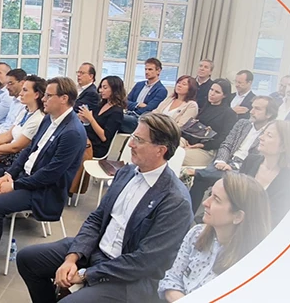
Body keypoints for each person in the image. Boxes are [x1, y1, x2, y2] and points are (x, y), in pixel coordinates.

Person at [15, 113, 194, 303]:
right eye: (133, 137)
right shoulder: (126, 173)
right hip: (97, 250)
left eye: (139, 140)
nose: (130, 144)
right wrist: (72, 258)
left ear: (160, 150)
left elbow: (144, 261)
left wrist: (86, 274)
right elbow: (97, 218)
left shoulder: (175, 201)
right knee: (28, 259)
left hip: (129, 277)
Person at [0, 77, 87, 287]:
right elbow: (28, 150)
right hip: (25, 177)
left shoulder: (73, 132)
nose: (44, 99)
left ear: (64, 98)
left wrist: (14, 185)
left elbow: (51, 174)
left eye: (49, 96)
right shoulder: (50, 119)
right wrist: (9, 174)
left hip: (43, 190)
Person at [158, 173, 271, 302]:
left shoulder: (251, 268)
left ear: (238, 216)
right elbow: (171, 280)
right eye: (210, 194)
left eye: (217, 200)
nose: (205, 203)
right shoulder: (196, 234)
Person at [186, 96, 278, 215]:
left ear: (269, 114)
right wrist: (221, 161)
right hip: (226, 161)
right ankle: (188, 214)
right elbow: (226, 144)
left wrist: (233, 167)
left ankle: (197, 172)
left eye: (257, 109)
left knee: (219, 177)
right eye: (252, 107)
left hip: (243, 168)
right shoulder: (242, 123)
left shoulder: (269, 134)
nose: (251, 111)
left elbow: (257, 160)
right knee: (201, 180)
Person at [238, 120, 290, 227]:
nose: (261, 137)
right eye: (263, 133)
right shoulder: (250, 161)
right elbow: (234, 192)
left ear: (284, 146)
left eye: (269, 135)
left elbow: (276, 218)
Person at [181, 78, 238, 167]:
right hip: (191, 140)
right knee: (165, 148)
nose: (212, 93)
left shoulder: (229, 114)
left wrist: (202, 145)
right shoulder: (206, 106)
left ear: (224, 95)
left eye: (217, 92)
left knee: (177, 156)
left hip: (208, 149)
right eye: (211, 90)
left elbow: (223, 139)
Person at [77, 76, 126, 158]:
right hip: (87, 139)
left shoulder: (117, 112)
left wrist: (91, 119)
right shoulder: (101, 105)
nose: (101, 90)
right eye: (101, 87)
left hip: (97, 146)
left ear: (114, 90)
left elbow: (104, 137)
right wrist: (84, 119)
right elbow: (92, 123)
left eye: (105, 88)